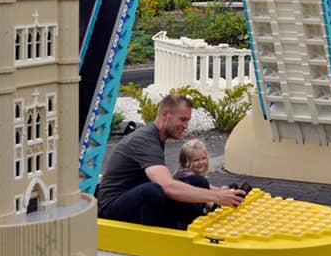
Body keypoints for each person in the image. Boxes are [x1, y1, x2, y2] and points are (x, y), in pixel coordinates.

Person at [97, 94, 245, 229]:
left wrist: (218, 191)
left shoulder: (154, 137)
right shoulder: (145, 141)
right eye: (183, 119)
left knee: (197, 181)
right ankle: (159, 240)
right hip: (111, 208)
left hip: (133, 199)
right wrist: (216, 197)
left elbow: (172, 180)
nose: (186, 125)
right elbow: (167, 186)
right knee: (152, 191)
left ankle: (188, 225)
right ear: (166, 115)